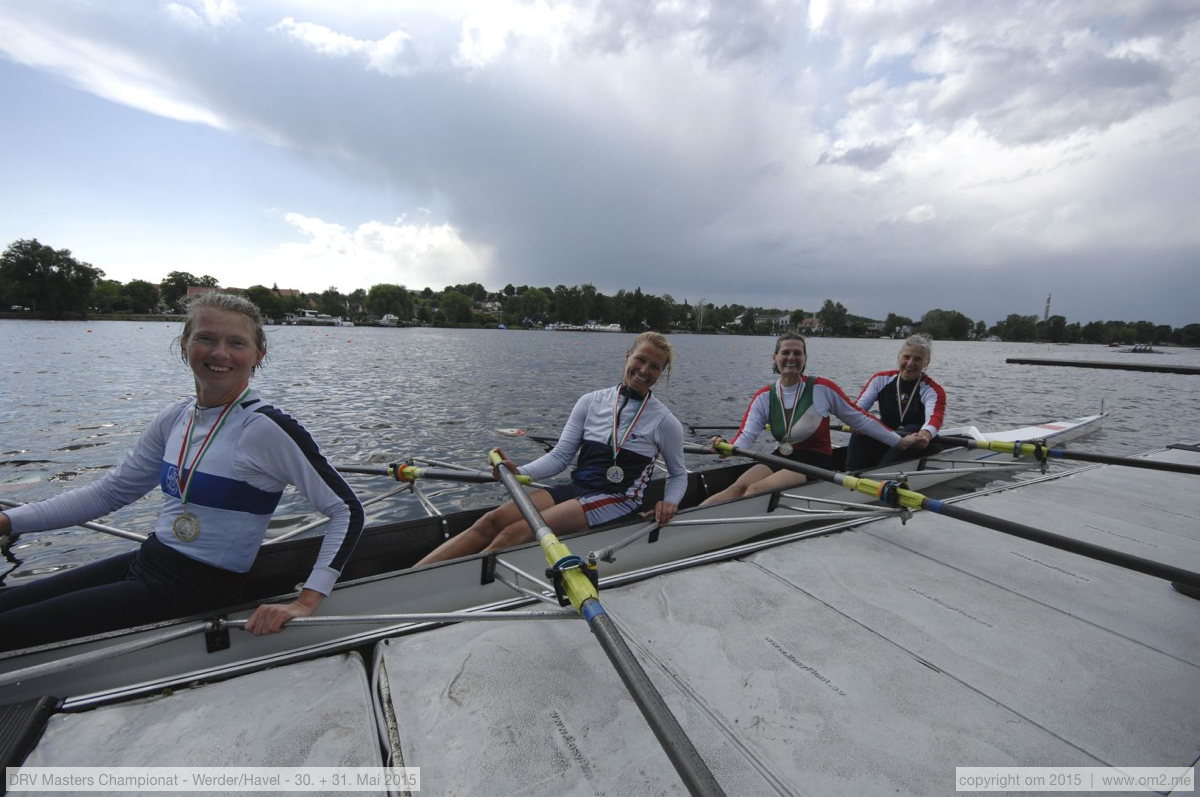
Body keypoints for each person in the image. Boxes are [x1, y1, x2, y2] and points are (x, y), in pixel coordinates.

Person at [0, 293, 364, 651]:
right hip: (150, 559)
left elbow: (346, 510)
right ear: (184, 345)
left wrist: (306, 600)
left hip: (197, 588)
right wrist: (8, 522)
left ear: (258, 356)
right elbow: (110, 493)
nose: (220, 353)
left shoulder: (266, 428)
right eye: (206, 338)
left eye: (236, 343)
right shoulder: (177, 417)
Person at [416, 332, 686, 565]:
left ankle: (441, 590)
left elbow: (678, 473)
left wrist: (670, 502)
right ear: (628, 356)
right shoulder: (590, 402)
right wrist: (518, 471)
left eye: (655, 367)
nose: (645, 370)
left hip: (618, 498)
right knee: (492, 520)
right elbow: (559, 457)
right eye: (640, 359)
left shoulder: (665, 422)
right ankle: (414, 576)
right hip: (579, 488)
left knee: (515, 533)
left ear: (661, 374)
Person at [700, 332, 913, 506]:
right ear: (775, 358)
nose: (791, 357)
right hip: (781, 456)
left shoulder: (823, 389)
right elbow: (746, 435)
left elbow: (861, 419)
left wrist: (899, 441)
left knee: (755, 490)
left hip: (815, 462)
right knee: (736, 489)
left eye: (797, 353)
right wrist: (726, 448)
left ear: (804, 359)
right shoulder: (764, 396)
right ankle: (689, 521)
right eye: (785, 352)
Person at [844, 334, 946, 472]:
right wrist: (854, 421)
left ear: (926, 363)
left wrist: (925, 434)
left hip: (918, 443)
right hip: (889, 438)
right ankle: (851, 472)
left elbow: (935, 418)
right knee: (863, 424)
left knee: (911, 429)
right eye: (906, 357)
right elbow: (858, 408)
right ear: (899, 357)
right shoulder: (880, 379)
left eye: (917, 359)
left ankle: (880, 473)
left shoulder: (933, 390)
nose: (910, 363)